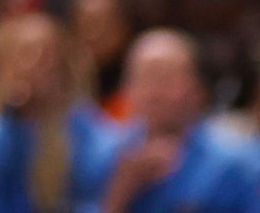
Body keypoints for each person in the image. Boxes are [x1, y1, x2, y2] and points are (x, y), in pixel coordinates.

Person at [0, 13, 121, 213]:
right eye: (24, 53)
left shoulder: (87, 131)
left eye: (45, 54)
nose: (33, 63)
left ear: (64, 65)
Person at [97, 31, 260, 213]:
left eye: (165, 78)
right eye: (143, 77)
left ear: (198, 87)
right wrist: (120, 192)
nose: (154, 91)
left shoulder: (238, 163)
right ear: (126, 89)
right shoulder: (107, 157)